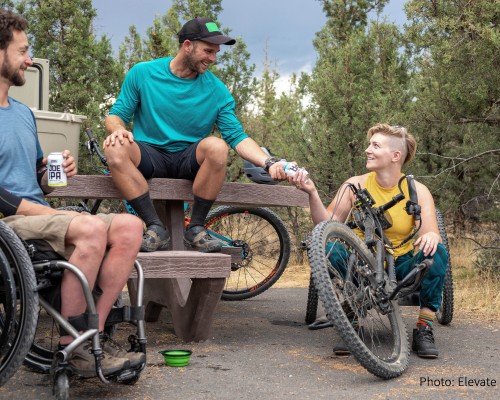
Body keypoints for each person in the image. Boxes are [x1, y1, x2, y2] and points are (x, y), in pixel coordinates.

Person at [0, 9, 144, 377]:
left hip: (38, 214)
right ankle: (74, 348)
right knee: (91, 228)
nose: (29, 60)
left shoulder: (22, 113)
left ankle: (93, 333)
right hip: (9, 225)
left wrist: (57, 173)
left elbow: (36, 181)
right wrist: (45, 212)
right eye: (22, 51)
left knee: (130, 226)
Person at [103, 17, 289, 253]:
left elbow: (237, 136)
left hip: (188, 161)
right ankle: (154, 227)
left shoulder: (216, 90)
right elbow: (115, 115)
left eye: (216, 52)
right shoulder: (143, 74)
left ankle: (197, 228)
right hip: (149, 155)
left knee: (217, 146)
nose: (213, 58)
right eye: (208, 51)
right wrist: (118, 130)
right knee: (114, 147)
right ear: (187, 45)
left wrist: (268, 162)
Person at [291, 124, 448, 358]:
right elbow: (327, 224)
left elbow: (430, 232)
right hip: (361, 262)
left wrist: (431, 235)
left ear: (396, 156)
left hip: (401, 262)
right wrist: (312, 193)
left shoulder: (417, 190)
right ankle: (351, 323)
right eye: (369, 144)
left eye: (375, 145)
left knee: (437, 253)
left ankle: (424, 328)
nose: (367, 150)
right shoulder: (355, 185)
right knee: (329, 246)